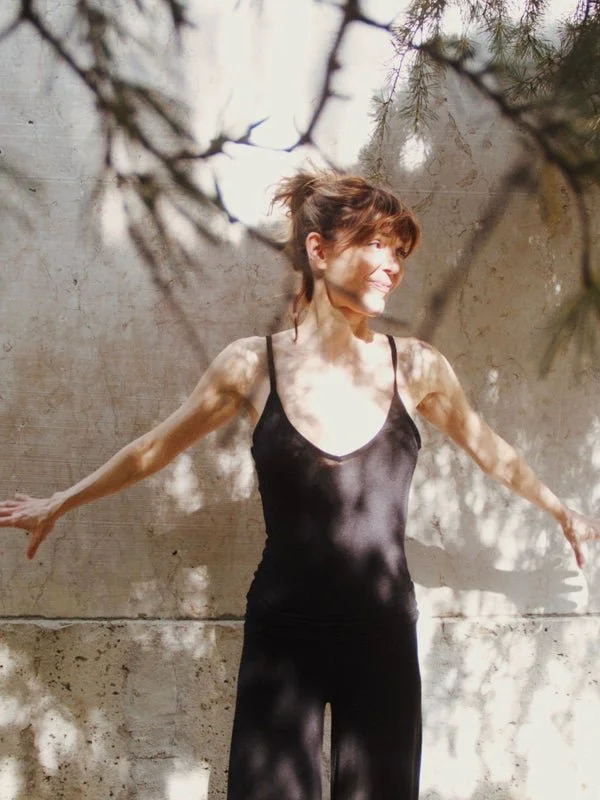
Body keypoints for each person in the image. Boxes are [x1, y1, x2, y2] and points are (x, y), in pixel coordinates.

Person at [1, 170, 599, 800]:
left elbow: (489, 448)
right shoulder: (250, 364)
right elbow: (154, 446)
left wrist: (560, 509)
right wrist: (61, 502)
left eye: (399, 252)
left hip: (382, 634)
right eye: (375, 244)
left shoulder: (416, 366)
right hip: (284, 636)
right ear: (318, 250)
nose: (391, 264)